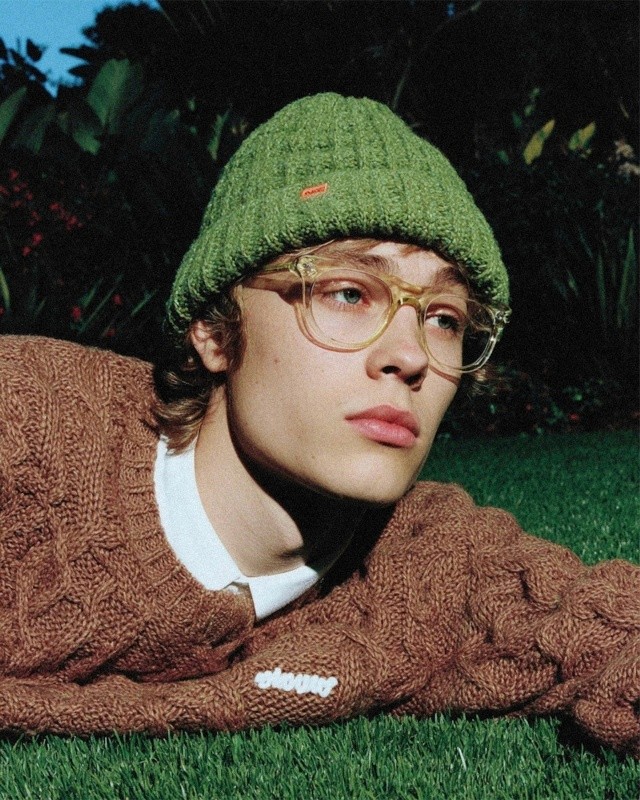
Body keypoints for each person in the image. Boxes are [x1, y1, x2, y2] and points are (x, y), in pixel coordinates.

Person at [0, 93, 637, 754]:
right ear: (215, 331)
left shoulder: (429, 570)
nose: (412, 354)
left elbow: (609, 628)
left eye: (444, 317)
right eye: (349, 293)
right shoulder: (27, 424)